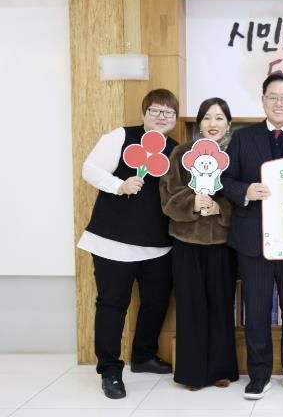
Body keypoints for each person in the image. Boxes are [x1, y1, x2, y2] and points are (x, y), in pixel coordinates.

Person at [221, 73, 283, 400]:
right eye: (273, 97)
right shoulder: (242, 138)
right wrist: (246, 191)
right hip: (254, 240)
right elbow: (226, 181)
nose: (279, 103)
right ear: (263, 100)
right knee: (257, 311)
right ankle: (259, 375)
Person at [77, 89, 178, 399]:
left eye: (168, 112)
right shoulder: (121, 136)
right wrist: (118, 185)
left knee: (156, 302)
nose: (161, 116)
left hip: (158, 246)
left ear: (175, 119)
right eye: (155, 110)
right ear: (144, 112)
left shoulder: (175, 150)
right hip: (112, 243)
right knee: (112, 306)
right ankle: (110, 370)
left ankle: (144, 355)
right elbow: (90, 169)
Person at [159, 97, 239, 391]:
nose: (213, 123)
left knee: (221, 305)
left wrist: (222, 208)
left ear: (228, 124)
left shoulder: (236, 154)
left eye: (219, 118)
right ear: (199, 123)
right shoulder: (181, 153)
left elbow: (244, 196)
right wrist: (192, 202)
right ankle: (192, 373)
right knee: (190, 307)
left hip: (223, 243)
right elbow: (168, 194)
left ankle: (220, 369)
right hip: (186, 242)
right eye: (207, 118)